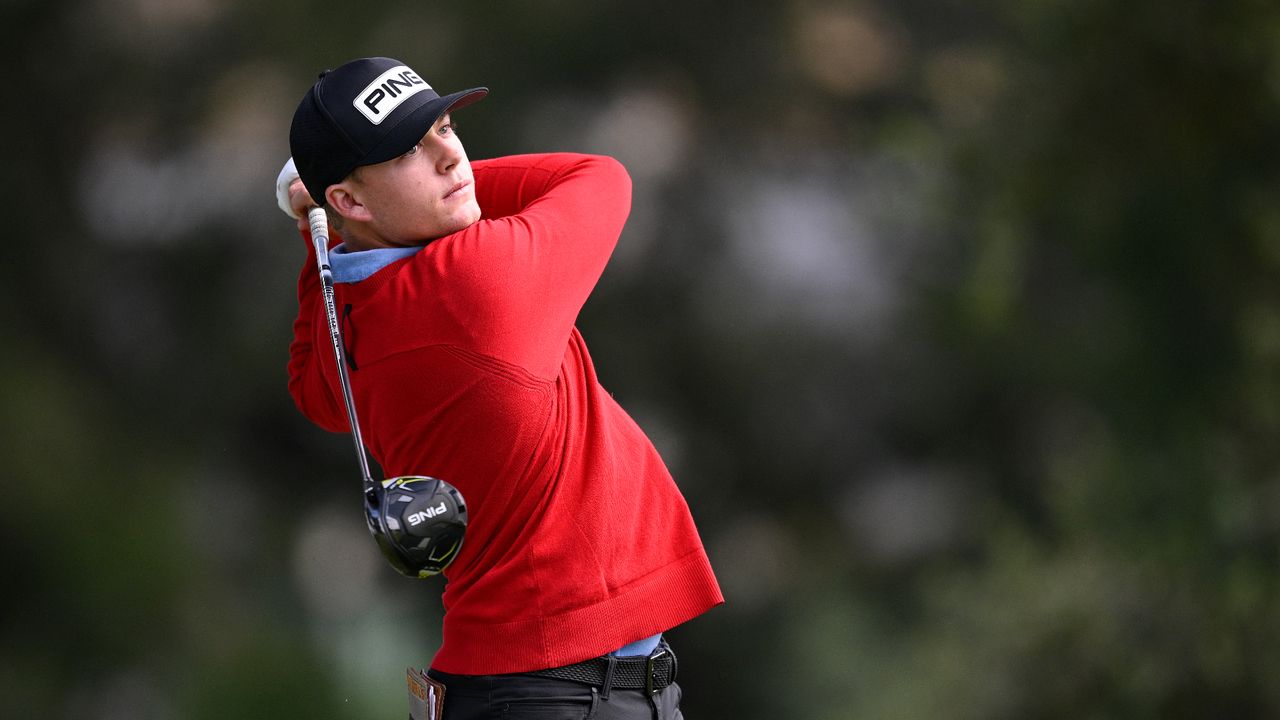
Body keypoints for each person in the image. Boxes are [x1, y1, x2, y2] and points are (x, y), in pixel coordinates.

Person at [276, 56, 723, 719]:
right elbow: (599, 178)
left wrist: (334, 222)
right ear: (351, 199)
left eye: (445, 129)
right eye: (407, 150)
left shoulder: (357, 317)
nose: (451, 158)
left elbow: (316, 392)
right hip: (573, 693)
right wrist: (340, 202)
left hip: (514, 689)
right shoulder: (479, 276)